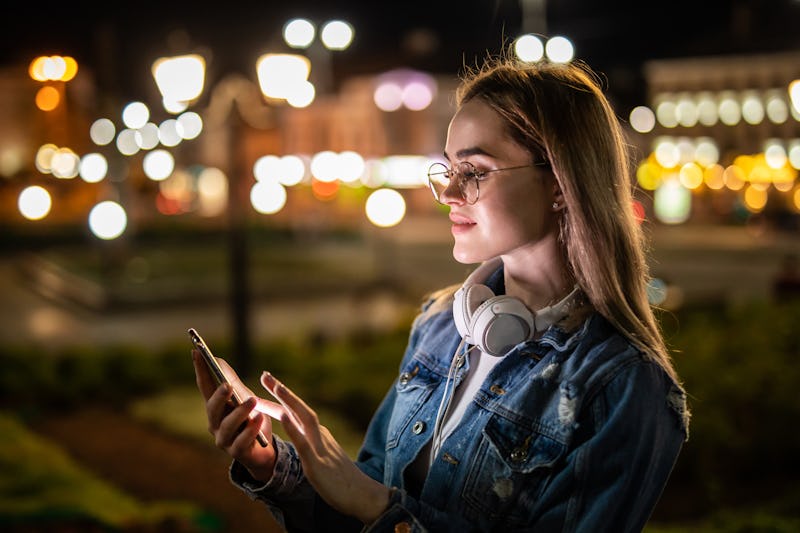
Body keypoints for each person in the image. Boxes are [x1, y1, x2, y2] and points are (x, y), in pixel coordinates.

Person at [192, 51, 690, 532]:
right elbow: (361, 510)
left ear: (560, 182)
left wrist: (380, 505)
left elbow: (375, 506)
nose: (449, 193)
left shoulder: (621, 386)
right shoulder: (440, 324)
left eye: (473, 172)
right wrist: (275, 466)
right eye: (448, 169)